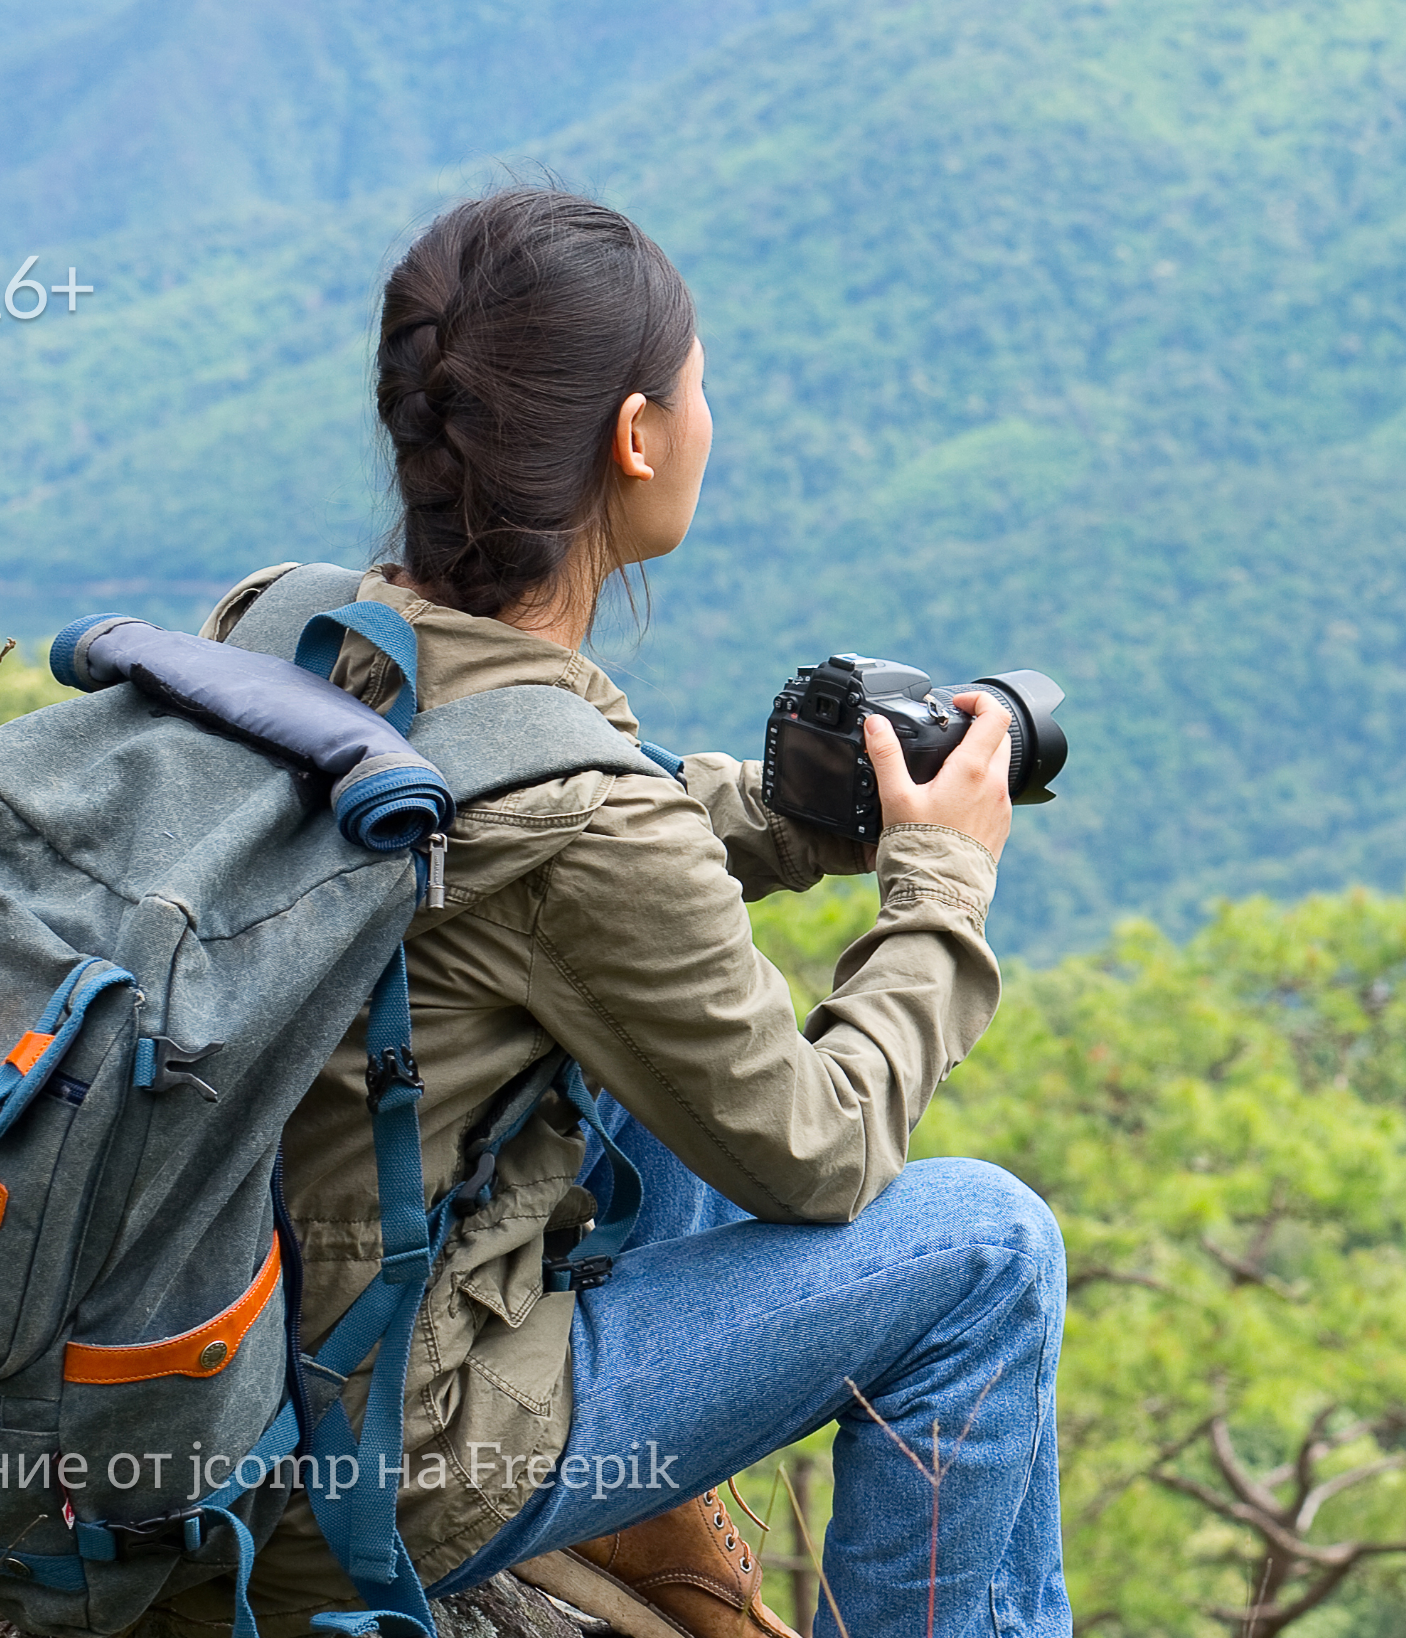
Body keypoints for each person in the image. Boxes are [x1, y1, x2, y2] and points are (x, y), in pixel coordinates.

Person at [136, 187, 1066, 1638]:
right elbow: (818, 1155)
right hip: (371, 1459)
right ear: (637, 439)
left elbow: (506, 829)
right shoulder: (582, 821)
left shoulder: (284, 630)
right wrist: (940, 883)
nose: (711, 418)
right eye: (701, 388)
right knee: (991, 1250)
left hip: (191, 1378)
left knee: (641, 1013)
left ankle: (637, 1518)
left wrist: (785, 822)